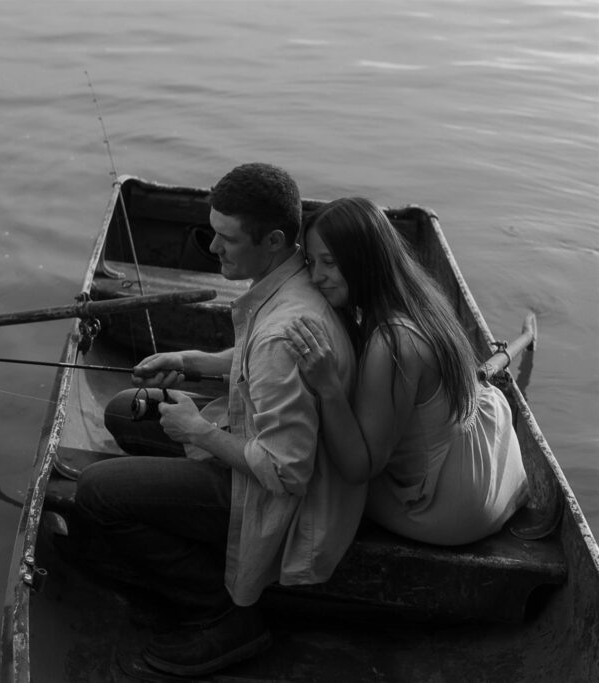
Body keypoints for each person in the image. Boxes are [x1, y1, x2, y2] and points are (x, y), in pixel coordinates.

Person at [73, 163, 367, 677]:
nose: (213, 248)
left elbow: (287, 473)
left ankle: (222, 615)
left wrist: (199, 432)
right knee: (125, 410)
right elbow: (258, 360)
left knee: (97, 493)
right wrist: (192, 361)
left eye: (227, 239)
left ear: (273, 239)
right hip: (267, 450)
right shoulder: (294, 280)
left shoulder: (283, 331)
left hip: (283, 498)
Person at [286, 197, 528, 546]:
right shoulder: (418, 298)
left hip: (450, 513)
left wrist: (328, 387)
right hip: (489, 472)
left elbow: (358, 469)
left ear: (365, 262)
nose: (315, 276)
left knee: (300, 468)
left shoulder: (392, 342)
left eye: (330, 263)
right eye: (310, 262)